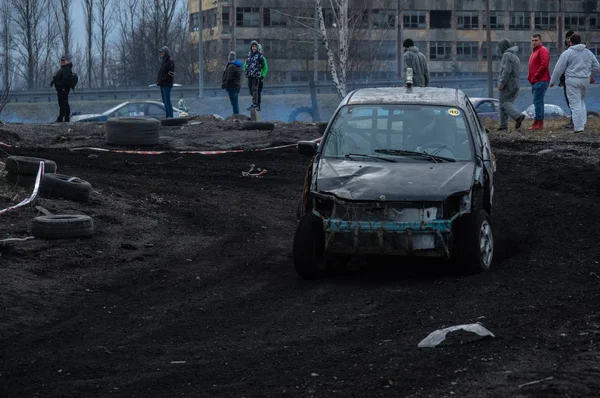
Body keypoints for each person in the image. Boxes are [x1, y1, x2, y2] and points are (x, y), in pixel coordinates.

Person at [550, 33, 600, 134]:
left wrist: (552, 81)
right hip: (585, 80)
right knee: (581, 101)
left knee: (574, 103)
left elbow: (558, 69)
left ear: (571, 42)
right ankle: (583, 122)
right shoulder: (588, 53)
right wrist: (588, 73)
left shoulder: (567, 53)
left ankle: (578, 127)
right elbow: (597, 67)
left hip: (572, 80)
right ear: (580, 41)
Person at [497, 39, 526, 131]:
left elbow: (506, 71)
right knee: (507, 103)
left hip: (508, 83)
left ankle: (517, 116)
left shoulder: (507, 55)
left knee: (503, 103)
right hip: (515, 83)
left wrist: (501, 83)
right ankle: (503, 125)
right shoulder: (515, 56)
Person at [527, 34, 551, 130]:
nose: (534, 42)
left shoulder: (543, 50)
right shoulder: (534, 52)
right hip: (536, 81)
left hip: (541, 80)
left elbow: (544, 65)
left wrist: (536, 76)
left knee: (538, 101)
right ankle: (537, 121)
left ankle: (539, 122)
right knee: (537, 101)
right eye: (532, 40)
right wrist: (530, 78)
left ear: (540, 41)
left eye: (536, 40)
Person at [559, 30, 575, 128]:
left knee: (574, 102)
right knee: (570, 102)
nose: (569, 40)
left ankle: (575, 122)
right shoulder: (567, 51)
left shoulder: (574, 51)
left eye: (571, 38)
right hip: (566, 80)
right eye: (568, 38)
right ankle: (573, 120)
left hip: (573, 80)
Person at [50, 55, 73, 123]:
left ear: (67, 61)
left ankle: (61, 119)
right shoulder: (63, 68)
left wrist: (62, 87)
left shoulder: (66, 69)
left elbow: (65, 80)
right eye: (62, 60)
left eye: (64, 60)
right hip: (61, 89)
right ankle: (66, 118)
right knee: (64, 104)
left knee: (63, 104)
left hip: (63, 89)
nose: (62, 62)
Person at [244, 40, 264, 111]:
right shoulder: (249, 55)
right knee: (250, 90)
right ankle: (254, 103)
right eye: (253, 46)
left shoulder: (259, 55)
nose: (254, 48)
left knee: (254, 89)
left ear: (257, 47)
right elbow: (246, 64)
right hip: (250, 75)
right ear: (251, 47)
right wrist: (246, 71)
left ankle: (255, 104)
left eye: (255, 46)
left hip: (256, 75)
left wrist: (258, 70)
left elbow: (262, 65)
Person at [156, 46, 175, 118]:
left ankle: (170, 116)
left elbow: (171, 73)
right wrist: (158, 80)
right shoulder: (163, 61)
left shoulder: (170, 61)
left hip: (167, 84)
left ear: (166, 52)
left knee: (167, 101)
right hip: (162, 84)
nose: (161, 54)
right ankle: (167, 116)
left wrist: (163, 79)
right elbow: (161, 72)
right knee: (164, 101)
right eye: (160, 52)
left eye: (162, 52)